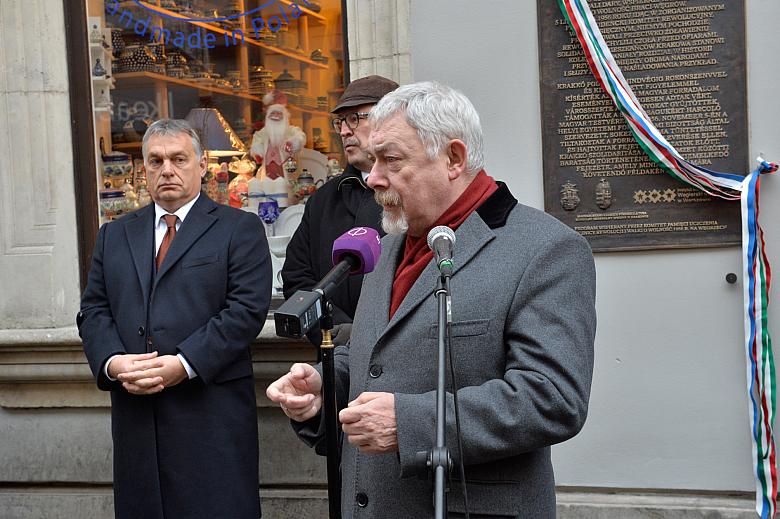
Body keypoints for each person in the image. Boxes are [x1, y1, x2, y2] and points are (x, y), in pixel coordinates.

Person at [266, 82, 596, 518]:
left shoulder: (545, 249)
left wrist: (410, 423)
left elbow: (552, 398)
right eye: (373, 160)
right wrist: (325, 387)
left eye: (391, 160)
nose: (373, 177)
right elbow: (381, 360)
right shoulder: (389, 248)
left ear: (454, 159)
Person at [78, 119, 271, 519]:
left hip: (209, 416)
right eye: (156, 161)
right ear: (144, 169)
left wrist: (183, 364)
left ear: (201, 165)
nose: (167, 169)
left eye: (179, 159)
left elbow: (245, 311)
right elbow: (94, 310)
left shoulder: (240, 229)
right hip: (137, 424)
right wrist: (113, 362)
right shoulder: (114, 235)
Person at [282, 75, 399, 348]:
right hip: (336, 362)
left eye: (355, 119)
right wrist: (337, 331)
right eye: (341, 122)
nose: (345, 131)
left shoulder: (415, 193)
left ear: (393, 119)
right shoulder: (323, 200)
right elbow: (297, 278)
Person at [250, 89, 306, 180]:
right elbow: (257, 142)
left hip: (287, 172)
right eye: (273, 113)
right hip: (267, 172)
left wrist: (293, 143)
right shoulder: (263, 132)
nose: (275, 116)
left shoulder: (291, 130)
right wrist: (257, 152)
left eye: (279, 114)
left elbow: (300, 137)